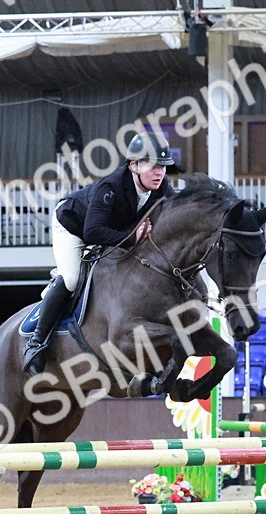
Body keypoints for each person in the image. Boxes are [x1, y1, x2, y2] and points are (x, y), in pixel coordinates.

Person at [22, 131, 177, 374]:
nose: (160, 172)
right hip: (73, 227)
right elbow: (92, 232)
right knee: (71, 279)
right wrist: (131, 239)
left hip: (110, 231)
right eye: (154, 166)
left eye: (164, 167)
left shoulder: (161, 187)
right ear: (133, 165)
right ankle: (36, 343)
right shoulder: (111, 187)